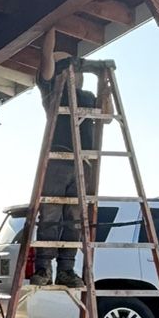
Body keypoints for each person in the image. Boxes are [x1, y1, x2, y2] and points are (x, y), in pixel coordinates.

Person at [32, 57, 99, 287]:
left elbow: (106, 116)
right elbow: (46, 61)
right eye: (72, 71)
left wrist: (106, 85)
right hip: (57, 160)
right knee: (50, 215)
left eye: (79, 72)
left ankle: (66, 269)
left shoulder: (87, 97)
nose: (77, 76)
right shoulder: (53, 91)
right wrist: (49, 36)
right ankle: (43, 268)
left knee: (75, 219)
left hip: (82, 163)